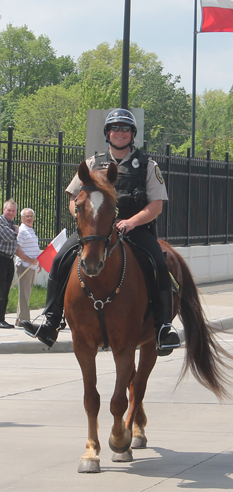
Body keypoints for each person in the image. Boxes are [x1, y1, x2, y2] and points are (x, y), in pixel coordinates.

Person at [22, 109, 181, 355]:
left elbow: (156, 205)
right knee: (61, 259)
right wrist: (82, 217)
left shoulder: (147, 165)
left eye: (125, 128)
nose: (120, 132)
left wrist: (131, 222)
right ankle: (51, 321)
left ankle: (163, 326)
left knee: (159, 263)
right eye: (115, 128)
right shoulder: (91, 163)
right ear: (107, 133)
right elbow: (74, 198)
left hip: (133, 229)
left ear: (132, 134)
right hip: (95, 230)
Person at [14, 209, 41, 327]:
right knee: (24, 293)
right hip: (24, 265)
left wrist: (37, 263)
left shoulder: (30, 230)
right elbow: (16, 249)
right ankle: (25, 319)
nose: (29, 218)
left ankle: (20, 319)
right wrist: (29, 260)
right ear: (22, 218)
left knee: (26, 293)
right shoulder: (22, 231)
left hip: (32, 266)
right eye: (27, 216)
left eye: (31, 216)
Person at [0, 199, 19, 329]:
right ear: (3, 210)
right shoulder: (1, 222)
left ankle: (2, 318)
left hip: (9, 259)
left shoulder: (12, 224)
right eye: (9, 210)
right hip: (1, 258)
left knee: (6, 290)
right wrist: (16, 231)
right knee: (1, 290)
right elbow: (9, 236)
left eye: (13, 210)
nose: (11, 212)